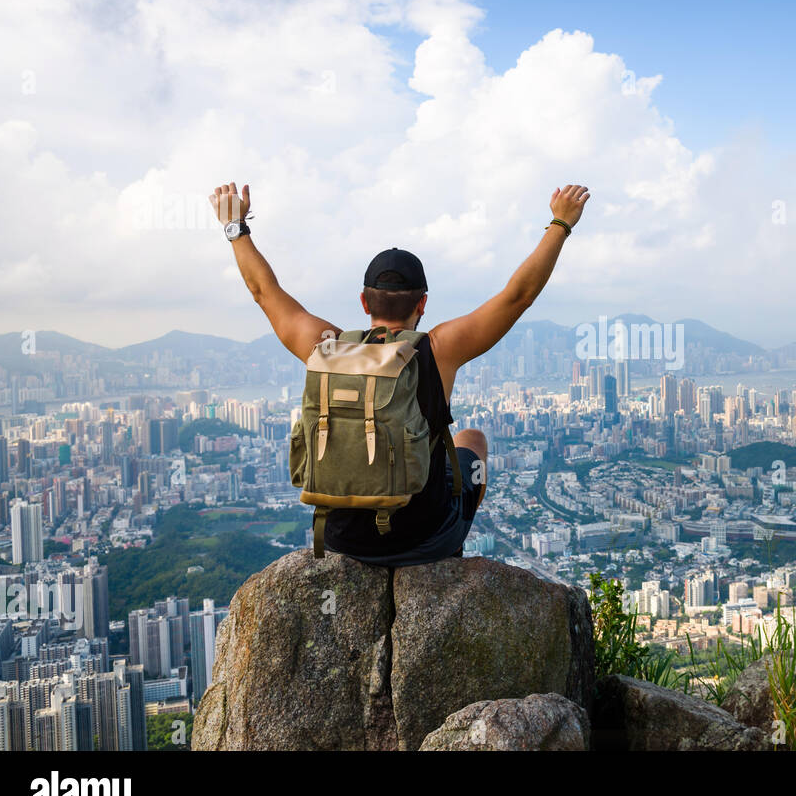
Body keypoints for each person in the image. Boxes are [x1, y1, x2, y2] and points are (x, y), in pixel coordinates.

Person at [208, 181, 591, 564]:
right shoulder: (438, 349)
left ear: (363, 301)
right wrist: (561, 223)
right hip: (424, 538)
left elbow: (264, 291)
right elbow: (518, 296)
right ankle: (453, 545)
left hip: (343, 540)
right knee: (472, 439)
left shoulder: (325, 347)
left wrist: (235, 227)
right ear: (422, 303)